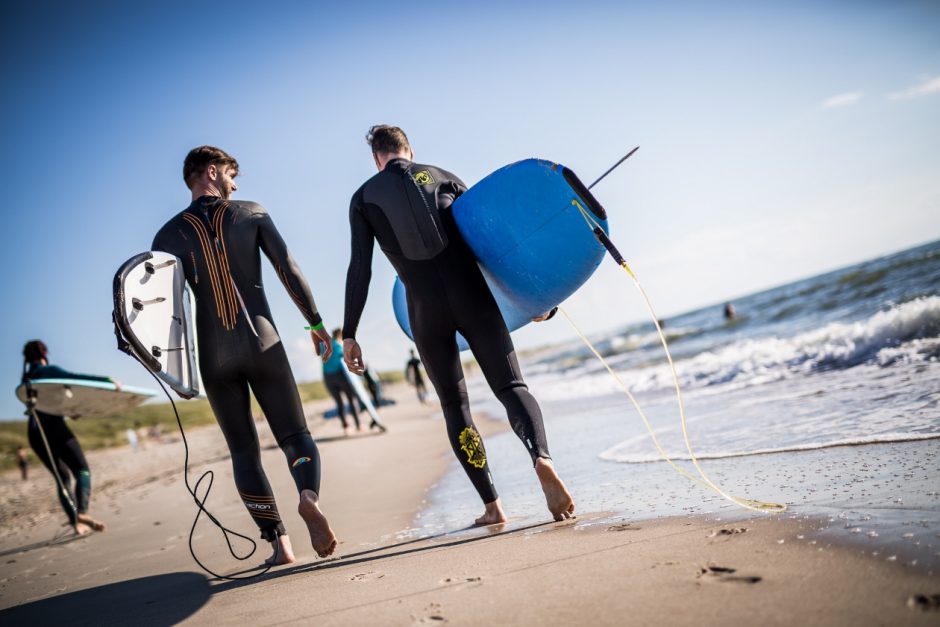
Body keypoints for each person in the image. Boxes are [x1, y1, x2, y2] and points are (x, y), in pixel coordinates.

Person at [341, 125, 575, 525]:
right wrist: (535, 301)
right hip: (473, 299)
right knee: (511, 387)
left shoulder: (363, 198)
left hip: (425, 312)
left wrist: (349, 333)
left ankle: (493, 507)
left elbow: (360, 267)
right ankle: (541, 458)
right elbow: (495, 247)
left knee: (455, 407)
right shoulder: (443, 176)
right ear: (409, 150)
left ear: (376, 158)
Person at [151, 146, 336, 563]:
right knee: (294, 435)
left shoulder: (165, 238)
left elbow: (164, 313)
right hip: (263, 342)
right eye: (232, 176)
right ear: (213, 172)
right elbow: (287, 269)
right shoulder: (250, 213)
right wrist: (316, 324)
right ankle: (308, 496)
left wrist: (170, 371)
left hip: (215, 358)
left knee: (243, 452)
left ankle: (279, 546)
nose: (235, 186)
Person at [20, 340, 108, 535]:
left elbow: (45, 405)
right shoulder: (47, 371)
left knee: (62, 477)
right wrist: (107, 381)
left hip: (35, 433)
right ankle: (83, 512)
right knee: (82, 470)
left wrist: (68, 411)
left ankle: (76, 522)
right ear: (44, 353)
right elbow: (76, 379)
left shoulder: (26, 378)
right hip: (54, 428)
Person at [321, 328, 384, 434]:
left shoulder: (324, 345)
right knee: (351, 400)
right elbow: (349, 362)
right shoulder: (340, 346)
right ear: (341, 336)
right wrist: (360, 378)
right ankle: (358, 425)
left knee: (339, 403)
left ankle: (346, 427)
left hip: (328, 378)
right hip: (341, 376)